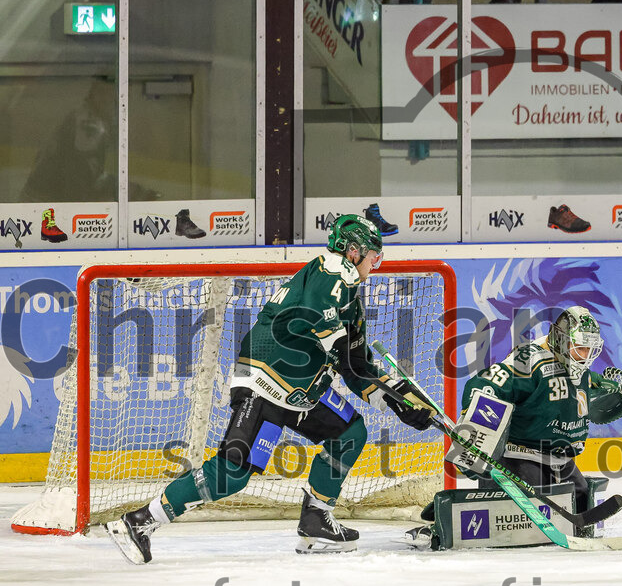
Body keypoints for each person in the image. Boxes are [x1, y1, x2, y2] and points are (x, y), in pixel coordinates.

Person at [104, 215, 436, 564]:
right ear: (353, 251)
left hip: (299, 389)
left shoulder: (349, 298)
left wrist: (400, 400)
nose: (375, 264)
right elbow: (316, 322)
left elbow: (356, 367)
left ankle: (316, 520)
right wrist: (346, 350)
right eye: (373, 255)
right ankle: (140, 521)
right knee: (232, 474)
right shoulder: (335, 270)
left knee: (350, 432)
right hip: (267, 379)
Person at [410, 306, 622, 545]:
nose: (584, 355)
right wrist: (473, 440)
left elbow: (583, 385)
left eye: (589, 350)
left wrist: (605, 389)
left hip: (561, 461)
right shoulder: (529, 361)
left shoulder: (576, 364)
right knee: (519, 521)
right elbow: (484, 386)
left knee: (580, 505)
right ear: (561, 340)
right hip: (519, 458)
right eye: (579, 347)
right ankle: (436, 523)